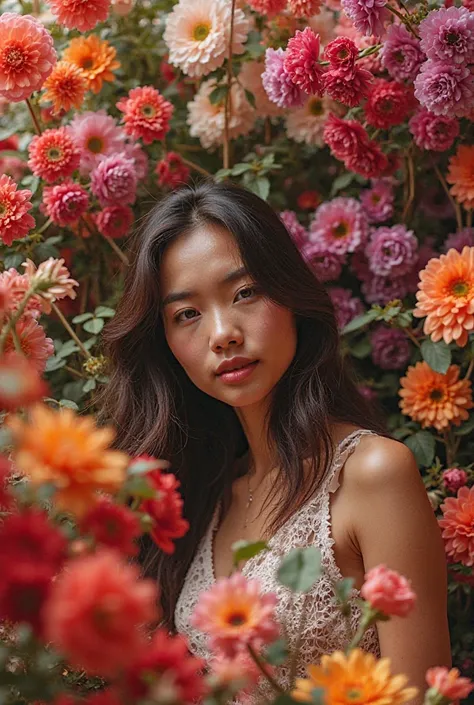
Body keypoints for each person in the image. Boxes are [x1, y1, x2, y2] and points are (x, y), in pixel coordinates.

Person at [99, 180, 451, 702]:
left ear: (289, 295)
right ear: (166, 344)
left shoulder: (373, 474)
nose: (223, 333)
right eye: (187, 314)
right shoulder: (203, 494)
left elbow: (424, 697)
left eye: (245, 293)